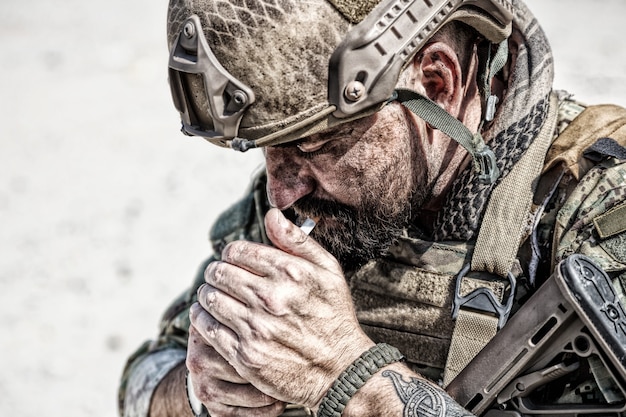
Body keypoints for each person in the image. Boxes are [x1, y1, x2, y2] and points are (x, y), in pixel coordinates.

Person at [119, 0, 626, 416]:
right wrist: (200, 393)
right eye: (267, 149)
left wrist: (351, 378)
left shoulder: (603, 208)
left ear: (435, 84)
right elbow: (144, 377)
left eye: (315, 144)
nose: (279, 193)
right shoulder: (316, 205)